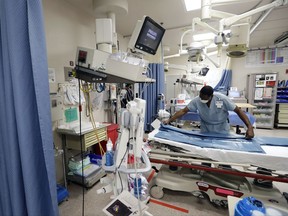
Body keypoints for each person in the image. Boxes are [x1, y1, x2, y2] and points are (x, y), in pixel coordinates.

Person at [164, 85, 254, 139]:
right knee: (206, 152)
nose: (202, 99)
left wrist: (249, 127)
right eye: (201, 97)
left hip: (221, 128)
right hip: (206, 128)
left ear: (211, 96)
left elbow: (238, 111)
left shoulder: (222, 99)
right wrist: (169, 120)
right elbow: (184, 111)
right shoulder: (197, 100)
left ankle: (223, 167)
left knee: (222, 150)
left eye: (204, 98)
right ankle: (205, 168)